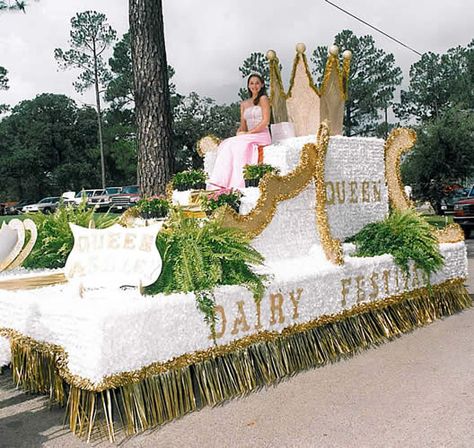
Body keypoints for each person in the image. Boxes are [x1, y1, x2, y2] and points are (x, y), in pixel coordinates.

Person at [208, 73, 271, 190]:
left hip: (261, 134)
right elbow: (243, 125)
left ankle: (239, 182)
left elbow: (265, 121)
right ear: (248, 85)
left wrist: (249, 133)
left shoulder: (263, 99)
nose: (254, 86)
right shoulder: (244, 104)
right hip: (249, 135)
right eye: (251, 83)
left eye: (257, 83)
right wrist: (240, 133)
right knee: (226, 143)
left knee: (236, 144)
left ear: (262, 84)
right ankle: (222, 181)